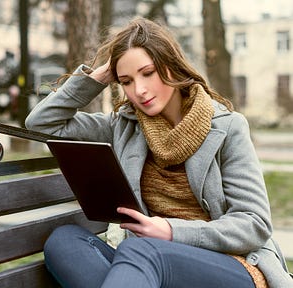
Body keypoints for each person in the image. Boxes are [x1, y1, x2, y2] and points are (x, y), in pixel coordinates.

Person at [25, 17, 293, 288]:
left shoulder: (228, 128)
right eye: (126, 81)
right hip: (153, 264)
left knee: (142, 250)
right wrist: (100, 76)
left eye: (148, 72)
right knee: (65, 241)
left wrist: (171, 231)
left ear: (171, 66)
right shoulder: (124, 127)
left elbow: (254, 224)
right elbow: (42, 122)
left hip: (231, 265)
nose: (139, 90)